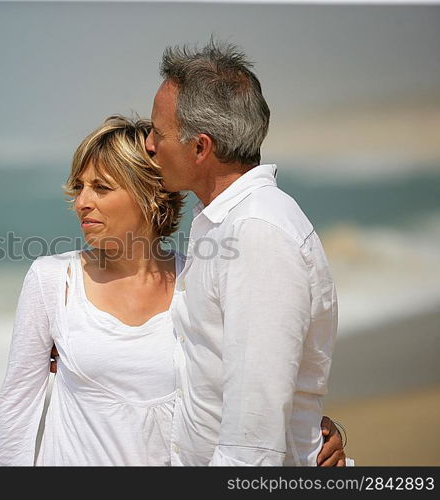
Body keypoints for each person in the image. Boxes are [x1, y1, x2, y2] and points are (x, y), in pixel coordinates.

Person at [0, 115, 345, 466]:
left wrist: (314, 437)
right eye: (79, 187)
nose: (82, 202)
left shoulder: (195, 278)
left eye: (101, 188)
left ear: (148, 194)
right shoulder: (54, 280)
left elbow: (250, 379)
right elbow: (17, 408)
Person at [144, 40, 346, 466]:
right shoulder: (225, 222)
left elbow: (253, 434)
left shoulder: (257, 233)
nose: (148, 144)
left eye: (157, 133)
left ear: (200, 148)